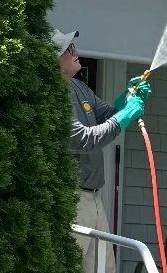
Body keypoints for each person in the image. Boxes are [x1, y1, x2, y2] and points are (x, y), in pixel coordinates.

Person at [52, 28, 151, 273]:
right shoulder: (53, 95)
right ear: (54, 59)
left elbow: (106, 115)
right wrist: (127, 114)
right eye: (69, 48)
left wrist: (127, 97)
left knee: (103, 268)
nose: (75, 51)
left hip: (95, 198)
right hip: (73, 200)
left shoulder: (79, 87)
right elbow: (84, 139)